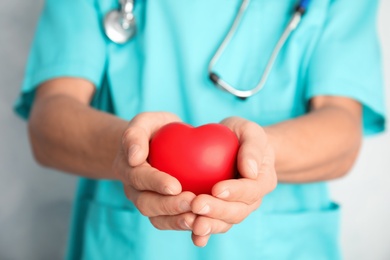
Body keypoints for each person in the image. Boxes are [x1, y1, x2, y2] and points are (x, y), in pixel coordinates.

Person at [15, 0, 386, 259]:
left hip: (283, 247)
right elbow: (49, 122)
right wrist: (128, 148)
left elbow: (342, 129)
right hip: (128, 246)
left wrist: (260, 154)